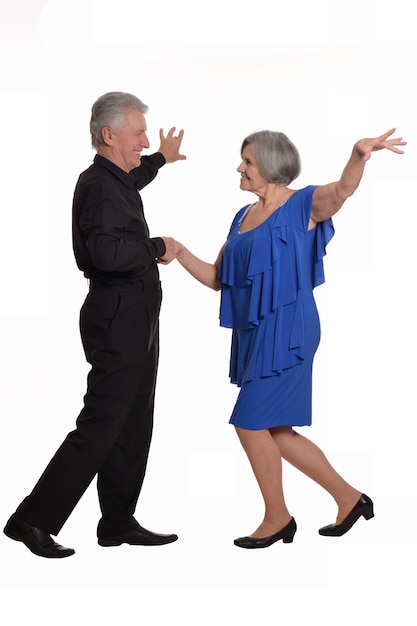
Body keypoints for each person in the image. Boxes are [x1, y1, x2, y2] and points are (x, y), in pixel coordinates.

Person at [173, 127, 406, 548]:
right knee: (276, 431)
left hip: (290, 330)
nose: (239, 168)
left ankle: (278, 517)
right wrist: (178, 251)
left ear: (270, 165)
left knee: (248, 423)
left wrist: (357, 155)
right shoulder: (241, 218)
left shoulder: (303, 203)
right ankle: (350, 498)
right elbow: (217, 279)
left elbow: (342, 192)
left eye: (247, 161)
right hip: (255, 332)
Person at [4, 91, 185, 558]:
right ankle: (31, 520)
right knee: (102, 423)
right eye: (139, 132)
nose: (145, 141)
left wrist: (161, 160)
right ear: (109, 135)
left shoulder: (116, 178)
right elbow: (106, 254)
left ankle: (118, 522)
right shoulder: (99, 186)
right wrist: (156, 246)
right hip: (118, 313)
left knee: (134, 422)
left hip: (138, 313)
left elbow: (135, 178)